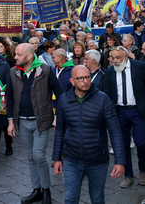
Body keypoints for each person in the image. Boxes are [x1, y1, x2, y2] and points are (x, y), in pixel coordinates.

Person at [53, 65, 125, 204]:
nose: (85, 81)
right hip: (71, 159)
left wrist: (120, 161)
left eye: (87, 77)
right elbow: (60, 130)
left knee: (97, 199)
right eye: (80, 78)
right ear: (72, 81)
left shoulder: (103, 99)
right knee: (70, 199)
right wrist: (57, 158)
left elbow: (115, 130)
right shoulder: (63, 100)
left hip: (97, 160)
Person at [7, 44, 63, 204]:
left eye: (18, 54)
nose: (15, 57)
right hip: (22, 121)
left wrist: (57, 115)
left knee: (39, 155)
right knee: (31, 157)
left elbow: (60, 93)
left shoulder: (45, 70)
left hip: (41, 120)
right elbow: (9, 97)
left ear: (30, 56)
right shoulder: (13, 71)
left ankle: (46, 191)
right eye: (15, 54)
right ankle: (36, 189)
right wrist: (10, 121)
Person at [104, 46, 145, 188]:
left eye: (118, 58)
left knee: (141, 143)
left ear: (126, 56)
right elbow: (107, 92)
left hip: (138, 111)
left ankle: (143, 171)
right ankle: (128, 175)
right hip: (120, 112)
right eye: (112, 58)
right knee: (123, 144)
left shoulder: (139, 67)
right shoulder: (110, 72)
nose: (115, 61)